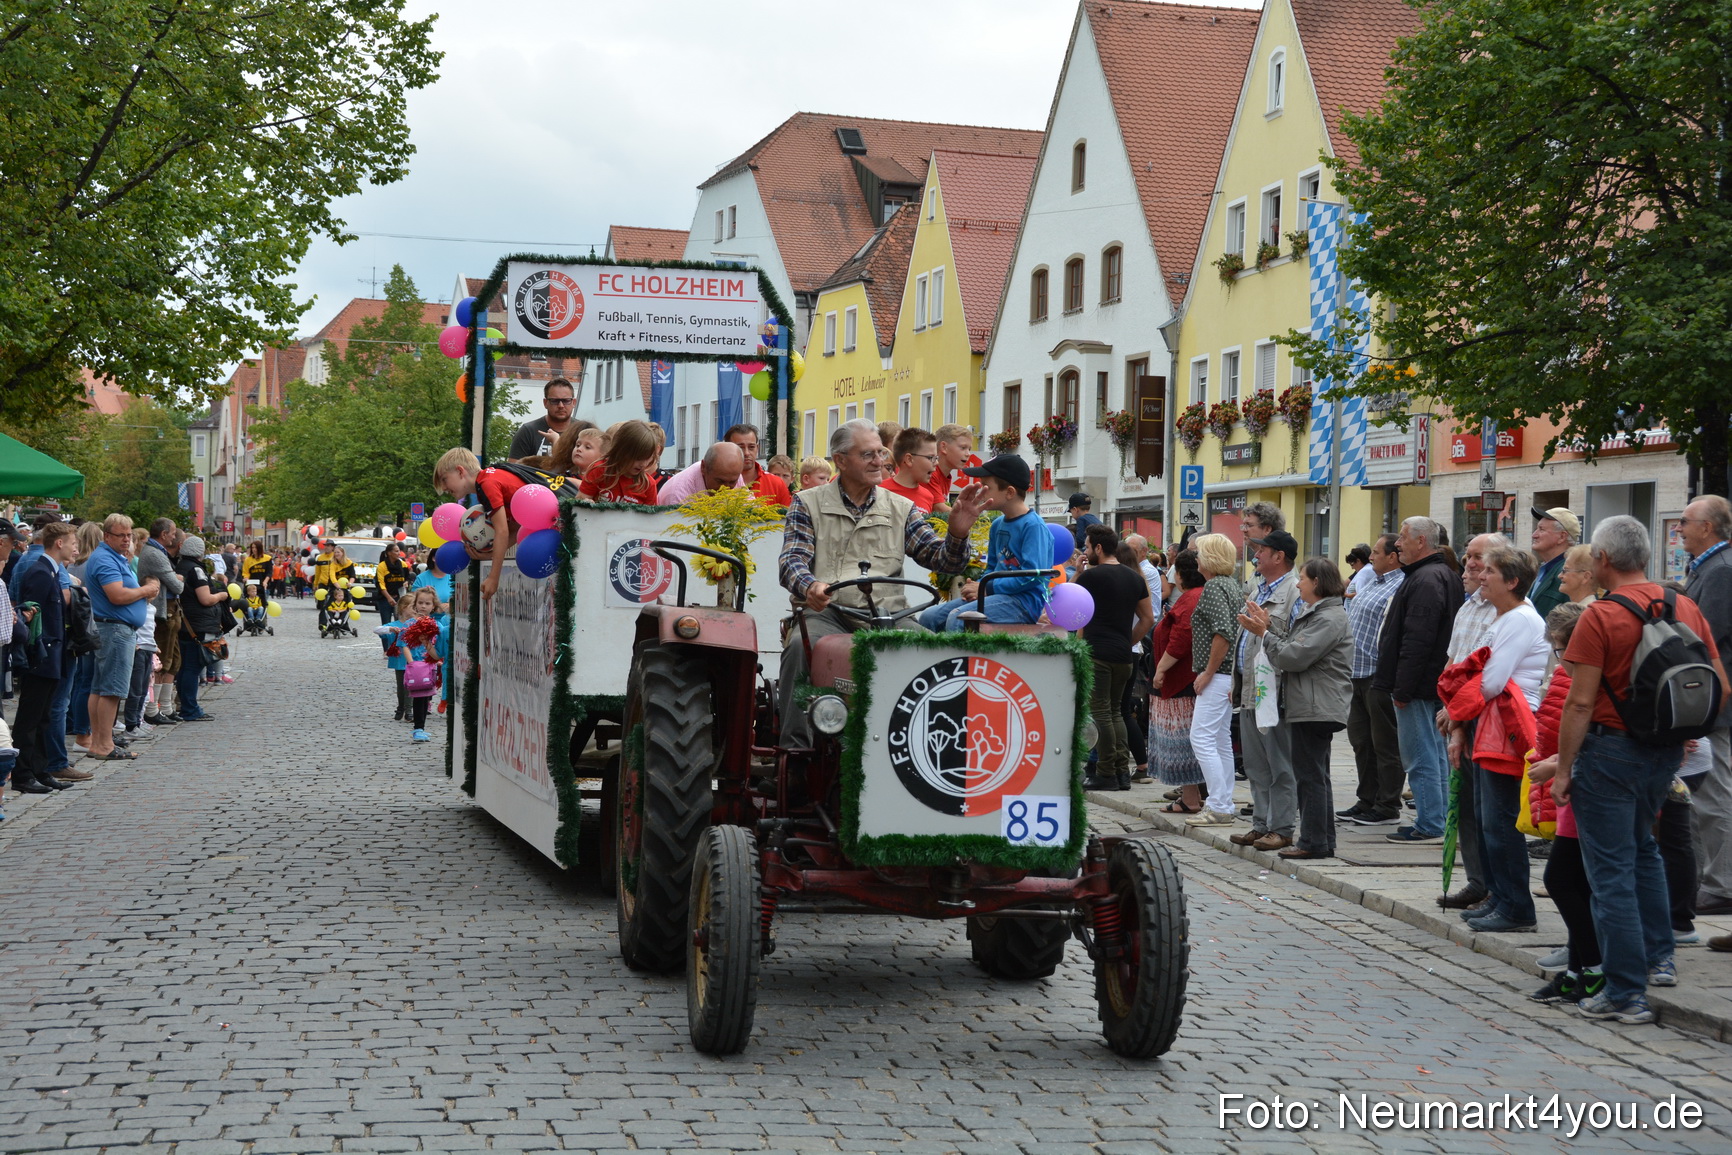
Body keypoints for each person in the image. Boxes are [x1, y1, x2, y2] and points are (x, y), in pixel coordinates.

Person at [1542, 517, 1727, 1021]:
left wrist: (1563, 772)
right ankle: (1658, 958)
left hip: (1608, 752)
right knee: (1645, 853)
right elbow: (1719, 685)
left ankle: (1625, 993)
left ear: (1602, 560)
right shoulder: (1683, 603)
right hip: (1666, 751)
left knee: (1611, 872)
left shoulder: (1599, 616)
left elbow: (1578, 705)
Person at [775, 418, 987, 744]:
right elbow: (792, 561)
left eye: (881, 452)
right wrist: (810, 586)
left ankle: (932, 746)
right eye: (868, 455)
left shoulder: (901, 507)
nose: (879, 462)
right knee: (800, 649)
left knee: (937, 655)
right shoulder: (808, 503)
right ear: (841, 460)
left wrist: (957, 533)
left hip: (888, 614)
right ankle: (796, 752)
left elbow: (939, 558)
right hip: (828, 613)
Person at [1440, 543, 1550, 933]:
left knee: (1501, 821)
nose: (1480, 577)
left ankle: (1517, 906)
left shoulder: (1520, 619)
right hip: (1490, 725)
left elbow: (1491, 681)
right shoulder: (1502, 617)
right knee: (1489, 820)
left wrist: (1454, 709)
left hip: (1509, 727)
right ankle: (1501, 898)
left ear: (1513, 581)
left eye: (1489, 573)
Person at [1242, 557, 1353, 859]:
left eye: (1302, 578)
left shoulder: (1329, 617)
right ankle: (1321, 840)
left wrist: (1264, 634)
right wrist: (1267, 630)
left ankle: (1313, 842)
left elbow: (1293, 657)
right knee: (1314, 774)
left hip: (1317, 705)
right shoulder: (1316, 613)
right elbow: (1291, 649)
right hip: (1310, 702)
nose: (1299, 583)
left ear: (1317, 582)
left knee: (1310, 776)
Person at [1526, 602, 1604, 1003]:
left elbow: (1587, 737)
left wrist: (1556, 767)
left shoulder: (1585, 684)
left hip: (1582, 790)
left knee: (1562, 880)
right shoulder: (1571, 679)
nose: (1557, 659)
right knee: (1572, 881)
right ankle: (1577, 971)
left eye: (1558, 650)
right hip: (1572, 792)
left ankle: (1593, 967)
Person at [1375, 516, 1462, 844]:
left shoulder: (1426, 578)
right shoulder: (1439, 575)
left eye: (1403, 538)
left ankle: (1430, 822)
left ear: (1421, 541)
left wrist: (1402, 688)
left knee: (1420, 753)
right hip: (1430, 682)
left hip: (1418, 685)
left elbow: (1418, 639)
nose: (1397, 544)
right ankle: (1435, 817)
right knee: (1434, 753)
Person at [1434, 533, 1503, 908]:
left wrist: (1456, 713)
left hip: (1485, 718)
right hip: (1459, 716)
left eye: (1479, 558)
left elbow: (1486, 674)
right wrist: (1448, 709)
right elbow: (1453, 663)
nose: (1469, 564)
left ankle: (1495, 887)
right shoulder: (1468, 607)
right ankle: (1477, 881)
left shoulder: (1503, 611)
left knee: (1488, 810)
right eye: (1467, 557)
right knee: (1465, 806)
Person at [916, 455, 1050, 633]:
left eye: (986, 487)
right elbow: (992, 568)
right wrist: (977, 587)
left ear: (1009, 492)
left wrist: (986, 587)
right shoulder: (997, 525)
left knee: (959, 619)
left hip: (1023, 603)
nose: (980, 493)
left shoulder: (1033, 526)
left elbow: (1033, 576)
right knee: (929, 617)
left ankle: (963, 661)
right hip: (997, 595)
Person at [1230, 529, 1301, 853]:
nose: (1255, 555)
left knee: (1279, 764)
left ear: (1279, 556)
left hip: (1272, 690)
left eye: (1261, 551)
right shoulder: (1260, 588)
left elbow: (1292, 643)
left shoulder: (1294, 592)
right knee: (1256, 764)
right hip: (1250, 688)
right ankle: (1261, 824)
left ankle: (1281, 827)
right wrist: (1237, 683)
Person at [1680, 494, 1732, 926]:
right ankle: (1708, 881)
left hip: (1714, 703)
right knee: (1704, 795)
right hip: (1706, 700)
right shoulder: (1707, 568)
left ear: (1708, 527)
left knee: (1715, 796)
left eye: (1685, 521)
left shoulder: (1722, 570)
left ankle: (1722, 886)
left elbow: (1703, 638)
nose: (1679, 528)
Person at [1077, 525, 1154, 792]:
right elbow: (1148, 619)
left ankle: (1106, 772)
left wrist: (1078, 572)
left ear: (1098, 548)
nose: (1086, 552)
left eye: (1087, 547)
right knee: (1116, 713)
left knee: (1100, 713)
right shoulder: (1135, 578)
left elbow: (1071, 606)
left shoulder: (1091, 577)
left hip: (1097, 652)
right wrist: (1128, 641)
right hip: (1123, 655)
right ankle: (1121, 772)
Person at [1338, 533, 1406, 826]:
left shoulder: (1400, 585)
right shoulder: (1372, 582)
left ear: (1392, 557)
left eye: (1377, 552)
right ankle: (1367, 799)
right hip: (1356, 672)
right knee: (1361, 741)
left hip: (1378, 675)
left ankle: (1387, 804)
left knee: (1385, 743)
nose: (1372, 556)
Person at [82, 514, 157, 762]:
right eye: (121, 535)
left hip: (115, 628)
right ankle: (103, 744)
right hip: (114, 630)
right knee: (111, 690)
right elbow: (117, 596)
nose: (126, 540)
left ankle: (99, 742)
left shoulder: (114, 557)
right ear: (107, 536)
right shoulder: (105, 559)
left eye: (129, 535)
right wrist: (145, 590)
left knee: (101, 688)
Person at [11, 522, 79, 792]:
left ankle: (40, 770)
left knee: (44, 718)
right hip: (41, 656)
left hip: (52, 656)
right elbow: (34, 619)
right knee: (30, 718)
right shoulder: (40, 572)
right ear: (59, 543)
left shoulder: (50, 570)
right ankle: (23, 774)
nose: (76, 547)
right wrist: (40, 653)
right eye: (73, 542)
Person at [1184, 533, 1244, 828]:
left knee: (1202, 738)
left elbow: (1223, 632)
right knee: (1220, 740)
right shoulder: (1230, 585)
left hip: (1217, 674)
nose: (1195, 557)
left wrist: (1207, 672)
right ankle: (1224, 803)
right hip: (1225, 674)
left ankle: (1219, 804)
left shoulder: (1215, 587)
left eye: (1199, 553)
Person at [1150, 550, 1205, 811]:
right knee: (1186, 741)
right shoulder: (1192, 597)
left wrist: (1161, 669)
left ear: (1181, 574)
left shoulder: (1191, 599)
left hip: (1182, 680)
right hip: (1185, 678)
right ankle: (1191, 796)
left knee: (1183, 742)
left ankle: (1191, 799)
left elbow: (1182, 638)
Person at [173, 536, 228, 722]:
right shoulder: (196, 570)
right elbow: (205, 599)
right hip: (197, 624)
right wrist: (221, 595)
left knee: (186, 667)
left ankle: (185, 706)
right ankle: (190, 708)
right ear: (199, 552)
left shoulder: (180, 566)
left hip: (185, 622)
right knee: (192, 667)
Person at [574, 419, 661, 506]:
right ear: (621, 451)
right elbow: (579, 503)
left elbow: (651, 518)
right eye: (638, 458)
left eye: (648, 458)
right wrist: (586, 504)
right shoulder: (599, 470)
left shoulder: (648, 485)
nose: (643, 464)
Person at [721, 424, 792, 509]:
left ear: (757, 448)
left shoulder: (776, 484)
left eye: (751, 447)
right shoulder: (716, 482)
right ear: (728, 449)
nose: (747, 453)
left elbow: (788, 520)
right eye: (740, 448)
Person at [1529, 505, 1581, 620]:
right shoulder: (1546, 569)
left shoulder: (1571, 573)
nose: (1534, 535)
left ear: (1562, 537)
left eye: (1541, 529)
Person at [656, 441, 746, 506]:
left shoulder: (731, 473)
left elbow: (750, 510)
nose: (726, 488)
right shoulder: (677, 494)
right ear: (703, 467)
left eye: (732, 482)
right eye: (720, 481)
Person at [509, 377, 578, 460]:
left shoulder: (584, 431)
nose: (561, 405)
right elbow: (512, 469)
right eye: (554, 401)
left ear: (574, 402)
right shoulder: (528, 432)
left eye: (566, 401)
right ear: (545, 403)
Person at [378, 591, 417, 722]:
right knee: (401, 687)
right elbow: (377, 629)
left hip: (414, 661)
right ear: (403, 608)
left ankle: (409, 710)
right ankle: (401, 706)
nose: (416, 610)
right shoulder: (395, 625)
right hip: (400, 661)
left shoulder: (417, 623)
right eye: (413, 607)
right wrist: (390, 630)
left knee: (412, 686)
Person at [879, 427, 939, 513]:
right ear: (909, 460)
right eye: (931, 457)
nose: (936, 462)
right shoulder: (879, 491)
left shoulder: (928, 496)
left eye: (936, 458)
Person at [375, 541, 410, 621]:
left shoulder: (403, 564)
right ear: (389, 553)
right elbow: (380, 584)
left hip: (399, 598)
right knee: (386, 623)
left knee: (400, 622)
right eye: (396, 551)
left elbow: (408, 577)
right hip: (385, 599)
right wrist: (389, 598)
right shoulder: (382, 566)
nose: (399, 553)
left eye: (399, 551)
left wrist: (406, 582)